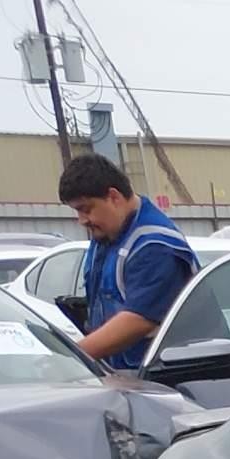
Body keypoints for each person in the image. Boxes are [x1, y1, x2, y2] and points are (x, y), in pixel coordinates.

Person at [57, 153, 197, 370]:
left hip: (165, 382)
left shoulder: (155, 246)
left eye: (86, 209)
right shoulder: (107, 236)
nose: (82, 220)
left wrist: (68, 359)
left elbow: (139, 320)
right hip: (123, 377)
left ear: (113, 196)